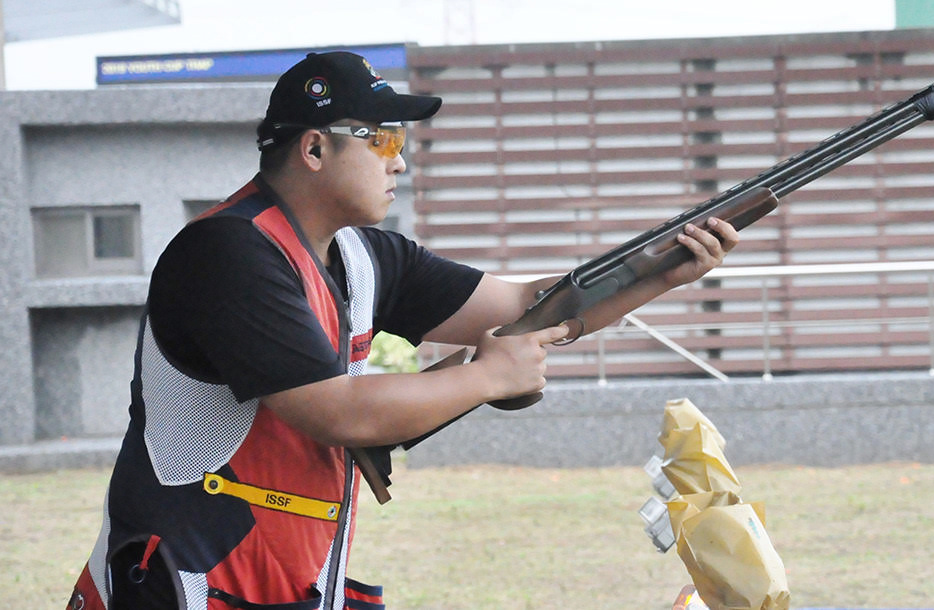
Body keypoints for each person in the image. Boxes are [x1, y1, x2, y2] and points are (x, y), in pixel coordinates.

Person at [66, 50, 739, 610]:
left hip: (282, 581)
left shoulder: (364, 255)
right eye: (383, 138)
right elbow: (336, 412)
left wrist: (659, 273)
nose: (400, 161)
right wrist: (487, 376)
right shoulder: (228, 252)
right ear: (314, 148)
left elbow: (527, 303)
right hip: (182, 582)